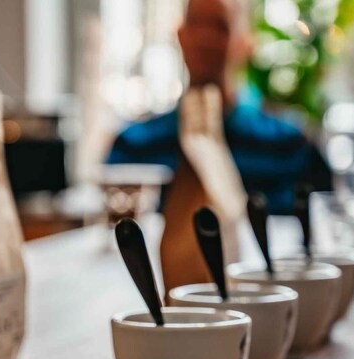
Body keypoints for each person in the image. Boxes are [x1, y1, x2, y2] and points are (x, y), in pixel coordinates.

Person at [106, 0, 332, 215]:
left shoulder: (290, 147)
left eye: (220, 26)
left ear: (246, 43)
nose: (205, 38)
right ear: (180, 35)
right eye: (195, 23)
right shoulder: (133, 147)